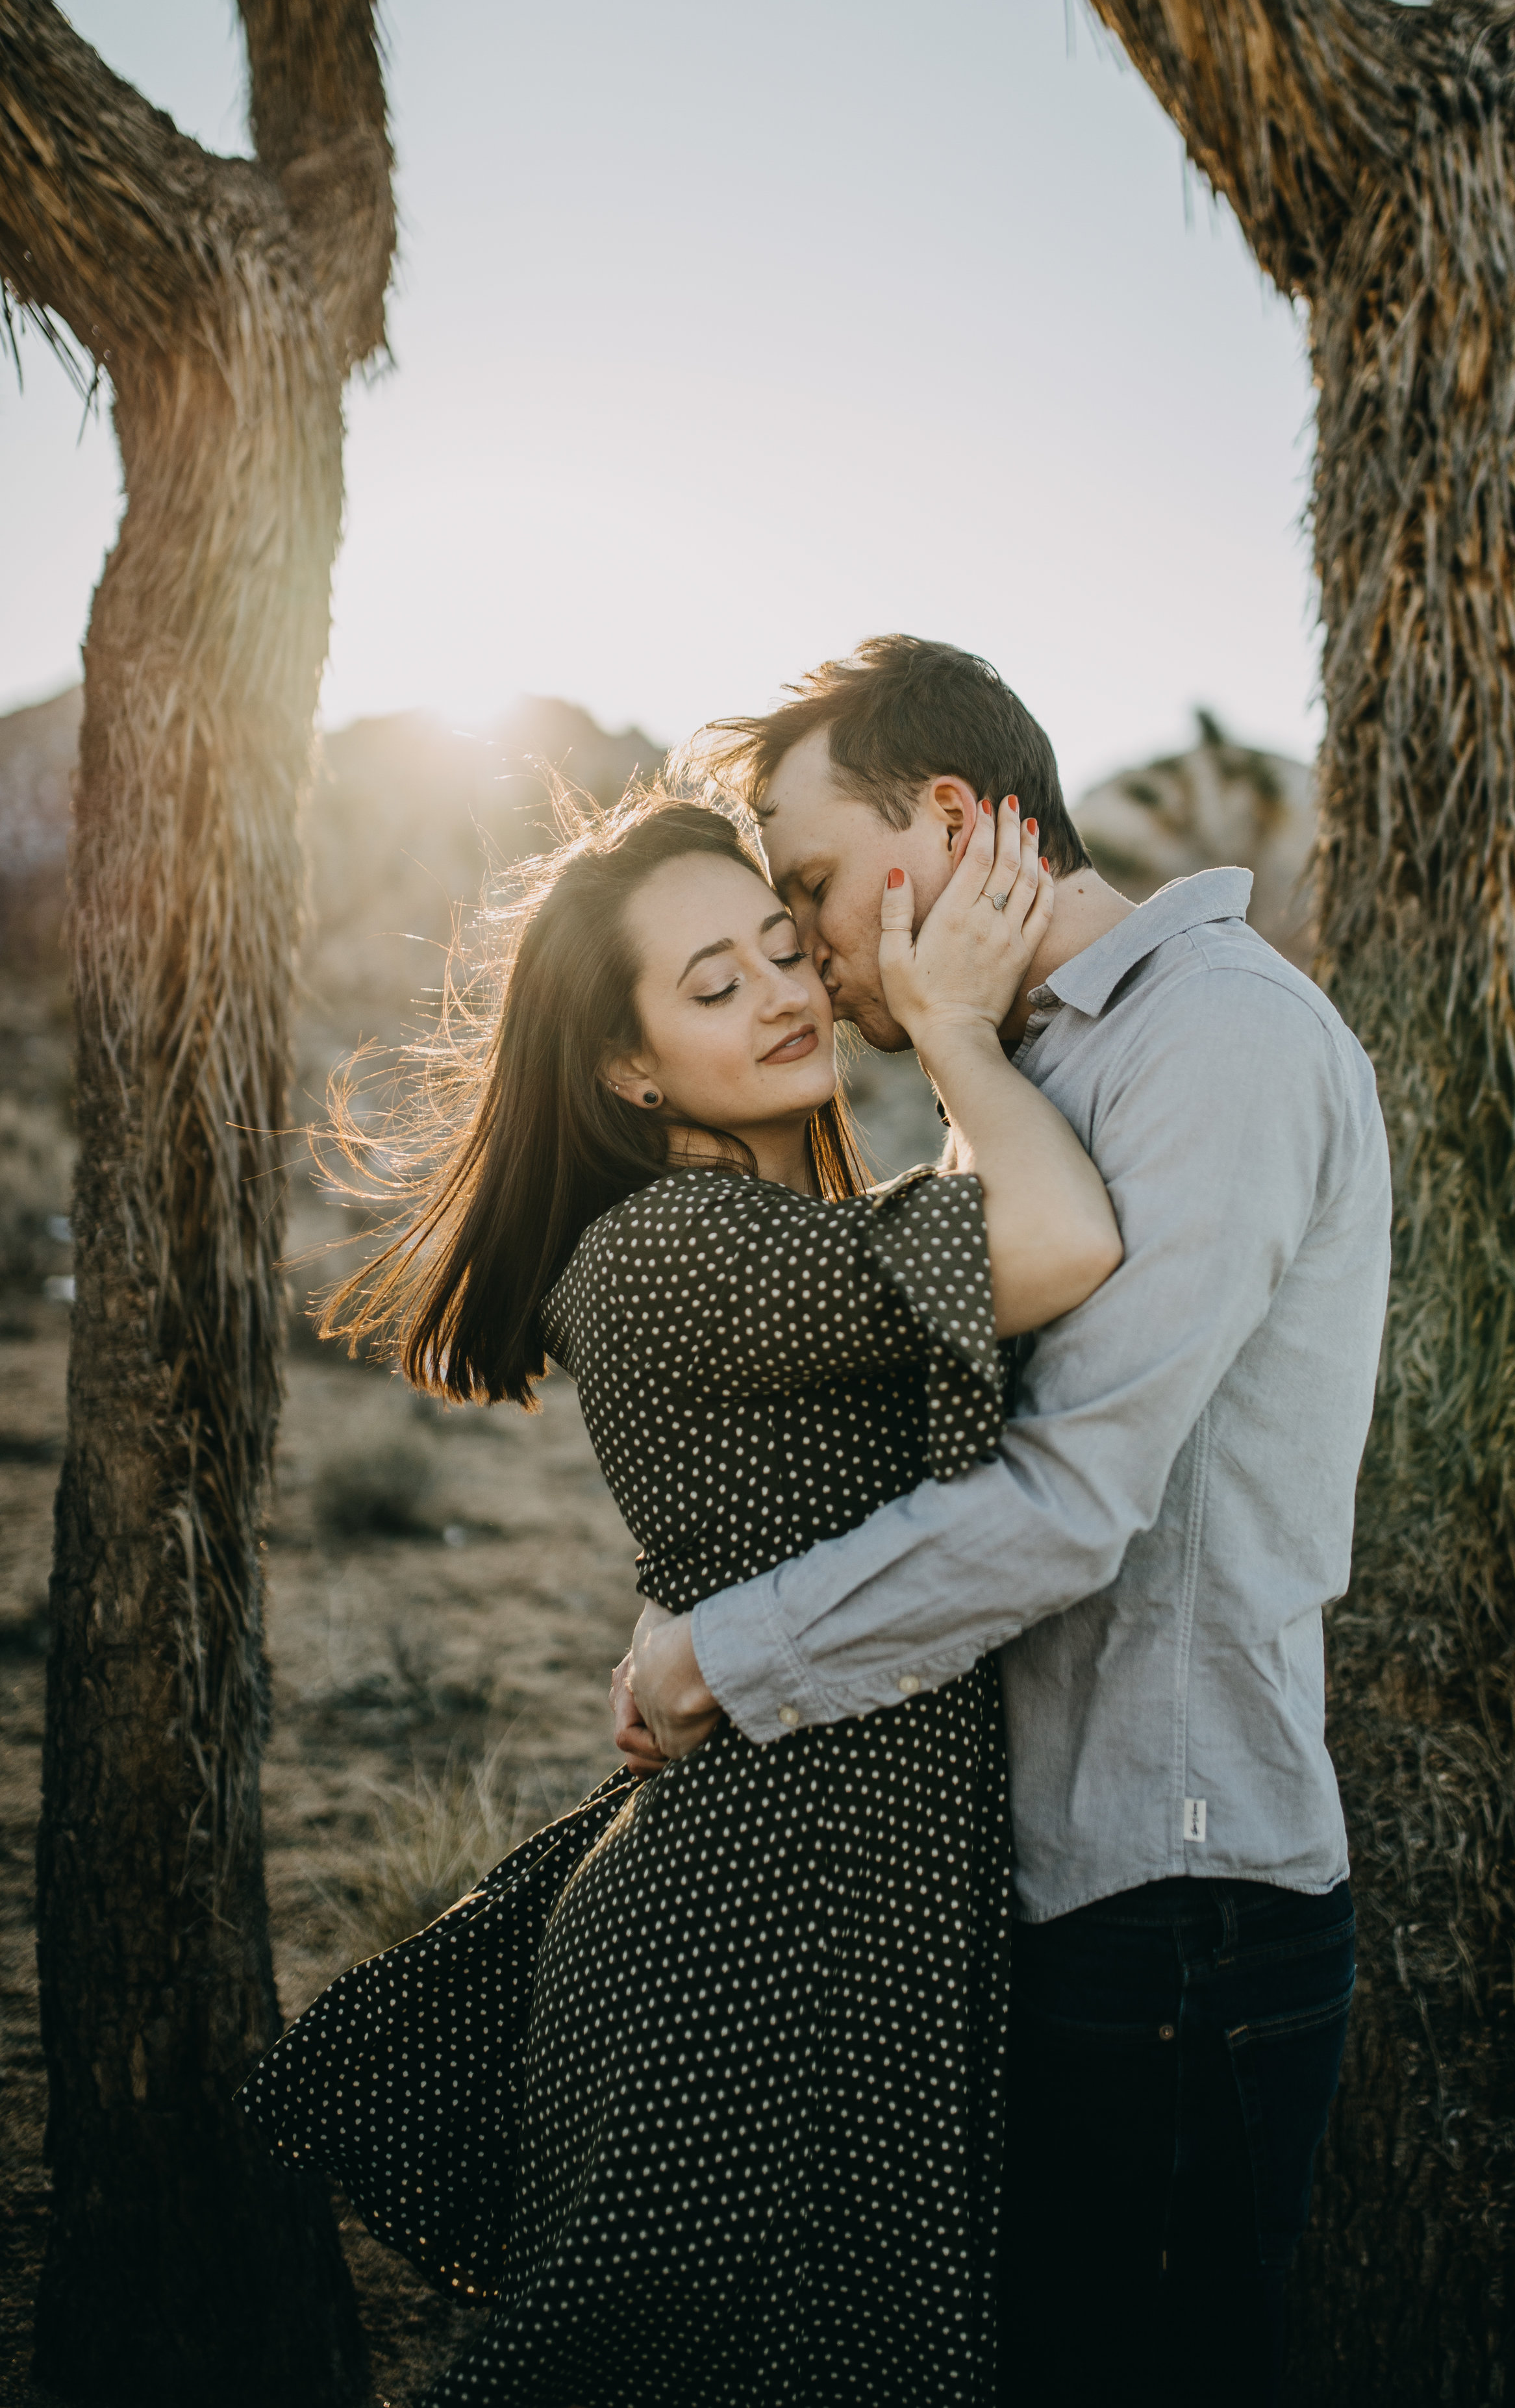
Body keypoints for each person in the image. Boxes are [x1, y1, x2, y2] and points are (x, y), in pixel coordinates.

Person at [236, 784, 1122, 2407]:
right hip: (757, 1942)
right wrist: (954, 1028)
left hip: (843, 1903)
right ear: (627, 1067)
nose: (785, 995)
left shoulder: (789, 1235)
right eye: (714, 986)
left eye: (786, 952)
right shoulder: (678, 1246)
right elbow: (1058, 1240)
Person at [626, 636, 1393, 2408]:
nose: (802, 942)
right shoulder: (1035, 1065)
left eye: (810, 883)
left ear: (957, 818)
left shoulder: (1217, 1039)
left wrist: (723, 1661)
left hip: (1177, 1901)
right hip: (1078, 1891)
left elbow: (1069, 1501)